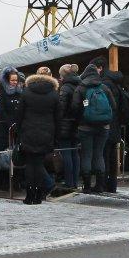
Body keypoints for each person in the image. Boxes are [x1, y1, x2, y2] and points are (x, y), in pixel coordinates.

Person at [14, 70, 60, 204]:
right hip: (46, 133)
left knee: (30, 165)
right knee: (39, 164)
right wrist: (56, 137)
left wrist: (19, 132)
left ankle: (29, 196)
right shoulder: (54, 95)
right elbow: (58, 118)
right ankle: (39, 196)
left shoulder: (26, 93)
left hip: (28, 132)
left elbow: (20, 115)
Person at [72, 63, 115, 194]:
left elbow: (74, 107)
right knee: (99, 155)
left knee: (86, 155)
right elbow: (113, 105)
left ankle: (86, 186)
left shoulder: (80, 88)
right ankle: (100, 186)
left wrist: (82, 117)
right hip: (103, 127)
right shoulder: (104, 87)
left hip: (85, 127)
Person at [0, 67, 24, 189]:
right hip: (4, 130)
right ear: (7, 80)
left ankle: (17, 181)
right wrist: (11, 124)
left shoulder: (21, 93)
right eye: (12, 80)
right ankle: (3, 181)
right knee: (4, 155)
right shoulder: (2, 93)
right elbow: (2, 111)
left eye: (16, 80)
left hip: (18, 130)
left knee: (17, 155)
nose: (14, 82)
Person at [101, 65, 129, 192]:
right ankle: (112, 186)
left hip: (106, 126)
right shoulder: (118, 87)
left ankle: (103, 184)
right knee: (113, 157)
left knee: (104, 156)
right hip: (116, 126)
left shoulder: (104, 86)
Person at [55, 64, 81, 192]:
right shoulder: (80, 85)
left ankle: (69, 182)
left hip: (65, 124)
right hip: (77, 124)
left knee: (66, 153)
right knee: (75, 153)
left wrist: (57, 122)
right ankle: (75, 181)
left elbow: (61, 108)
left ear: (63, 75)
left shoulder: (65, 88)